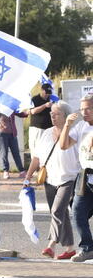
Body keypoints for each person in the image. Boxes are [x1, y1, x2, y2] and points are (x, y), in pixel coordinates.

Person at [23, 101, 78, 260]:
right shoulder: (46, 133)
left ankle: (51, 245)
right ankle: (69, 248)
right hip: (49, 179)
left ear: (66, 116)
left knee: (56, 211)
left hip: (68, 178)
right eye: (51, 113)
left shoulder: (74, 133)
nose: (52, 116)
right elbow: (36, 158)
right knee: (61, 213)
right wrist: (28, 176)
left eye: (56, 114)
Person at [59, 95, 93, 262]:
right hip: (85, 175)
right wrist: (67, 124)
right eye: (81, 109)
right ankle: (87, 248)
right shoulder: (80, 127)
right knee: (78, 212)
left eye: (87, 108)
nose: (83, 112)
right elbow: (63, 145)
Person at [0, 109, 28, 179]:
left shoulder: (12, 108)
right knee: (4, 153)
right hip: (2, 134)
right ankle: (6, 171)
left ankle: (22, 171)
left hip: (13, 134)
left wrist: (28, 112)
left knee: (16, 153)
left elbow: (21, 114)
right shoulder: (0, 108)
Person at [28, 82, 55, 159]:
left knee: (47, 148)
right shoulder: (35, 99)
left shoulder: (51, 100)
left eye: (49, 93)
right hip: (37, 128)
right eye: (46, 92)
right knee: (35, 149)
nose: (47, 95)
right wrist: (45, 105)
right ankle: (35, 167)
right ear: (42, 90)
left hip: (48, 128)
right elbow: (32, 111)